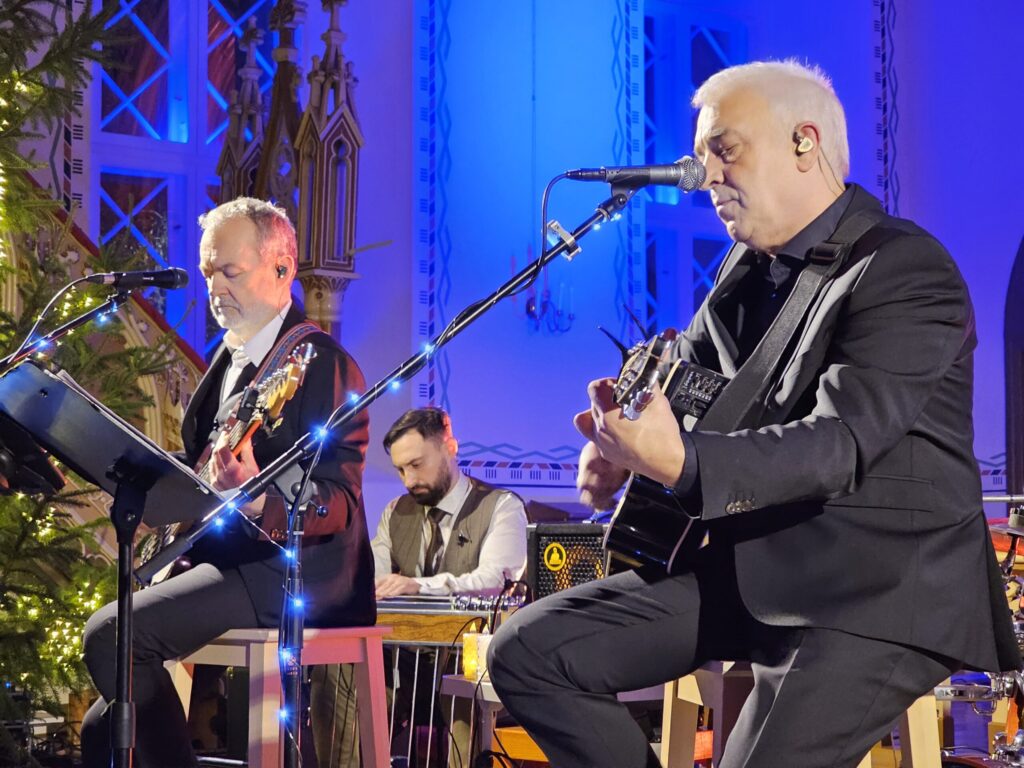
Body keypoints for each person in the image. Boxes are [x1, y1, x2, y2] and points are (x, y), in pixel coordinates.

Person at [487, 59, 1021, 768]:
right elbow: (686, 391)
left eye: (725, 150)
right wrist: (622, 452)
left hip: (872, 590)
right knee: (527, 652)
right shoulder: (742, 272)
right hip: (758, 570)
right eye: (702, 155)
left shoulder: (906, 268)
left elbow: (838, 441)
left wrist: (678, 461)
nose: (704, 175)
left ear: (804, 142)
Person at [80, 197, 376, 768]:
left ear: (282, 269)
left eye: (230, 272)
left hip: (293, 573)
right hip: (230, 561)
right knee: (103, 728)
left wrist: (260, 496)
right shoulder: (231, 360)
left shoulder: (321, 363)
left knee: (111, 634)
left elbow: (337, 500)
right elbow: (202, 468)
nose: (214, 287)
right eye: (208, 271)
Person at [311, 406, 528, 768]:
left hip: (469, 665)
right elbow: (371, 578)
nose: (409, 480)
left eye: (416, 464)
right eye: (400, 470)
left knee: (465, 687)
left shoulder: (501, 506)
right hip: (404, 664)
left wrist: (417, 586)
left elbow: (495, 581)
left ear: (450, 448)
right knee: (336, 668)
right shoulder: (396, 512)